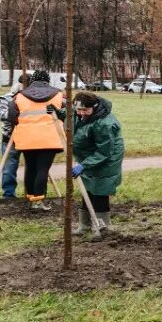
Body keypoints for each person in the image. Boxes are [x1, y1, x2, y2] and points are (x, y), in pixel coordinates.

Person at [6, 68, 65, 210]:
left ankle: (31, 197)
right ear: (48, 80)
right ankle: (38, 201)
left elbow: (12, 117)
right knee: (42, 169)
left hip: (26, 138)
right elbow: (65, 114)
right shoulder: (57, 94)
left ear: (32, 81)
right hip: (50, 137)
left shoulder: (19, 96)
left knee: (31, 167)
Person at [69, 92, 125, 240]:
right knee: (87, 188)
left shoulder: (104, 123)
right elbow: (66, 112)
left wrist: (84, 165)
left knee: (100, 189)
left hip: (107, 157)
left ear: (94, 107)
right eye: (78, 110)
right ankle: (84, 225)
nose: (81, 114)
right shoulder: (79, 113)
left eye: (85, 110)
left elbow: (104, 151)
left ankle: (102, 227)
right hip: (88, 156)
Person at [0, 75, 28, 198]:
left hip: (29, 138)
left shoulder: (33, 98)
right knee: (9, 168)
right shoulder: (8, 97)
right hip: (10, 138)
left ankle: (32, 194)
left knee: (33, 167)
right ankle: (8, 195)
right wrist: (14, 115)